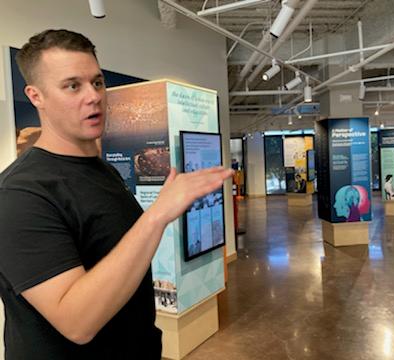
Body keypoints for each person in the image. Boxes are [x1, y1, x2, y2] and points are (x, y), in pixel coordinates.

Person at [0, 29, 233, 359]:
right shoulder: (19, 195)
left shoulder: (103, 171)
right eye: (72, 86)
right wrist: (157, 216)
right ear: (36, 96)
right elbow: (77, 322)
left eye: (97, 82)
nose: (93, 96)